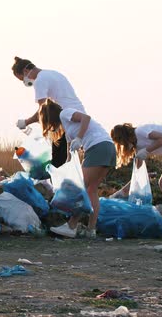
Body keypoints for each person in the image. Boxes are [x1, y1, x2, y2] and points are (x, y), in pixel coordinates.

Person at [39, 99, 116, 238]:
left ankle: (71, 226)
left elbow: (86, 118)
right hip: (107, 147)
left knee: (80, 189)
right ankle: (91, 230)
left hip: (97, 146)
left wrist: (79, 138)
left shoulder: (65, 113)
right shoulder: (67, 129)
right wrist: (65, 171)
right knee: (91, 190)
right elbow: (70, 154)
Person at [12, 56, 86, 167]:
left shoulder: (39, 81)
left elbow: (43, 112)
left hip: (63, 120)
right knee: (71, 159)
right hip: (78, 115)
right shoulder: (54, 74)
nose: (25, 82)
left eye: (22, 79)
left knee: (59, 161)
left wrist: (26, 122)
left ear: (25, 71)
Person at [110, 123, 162, 218]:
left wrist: (147, 150)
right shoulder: (138, 146)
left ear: (124, 136)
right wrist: (121, 192)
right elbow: (137, 174)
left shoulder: (140, 131)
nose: (122, 145)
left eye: (121, 142)